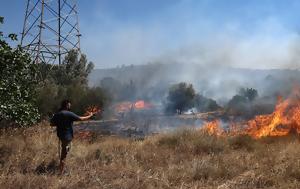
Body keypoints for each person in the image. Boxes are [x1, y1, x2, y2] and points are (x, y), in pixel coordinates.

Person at [50, 99, 95, 174]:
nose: (70, 106)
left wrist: (59, 123)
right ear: (67, 105)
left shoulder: (57, 114)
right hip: (67, 137)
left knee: (64, 151)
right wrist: (90, 115)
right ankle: (61, 172)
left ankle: (62, 168)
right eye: (69, 104)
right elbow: (81, 118)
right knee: (64, 154)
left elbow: (51, 124)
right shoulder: (69, 113)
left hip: (61, 136)